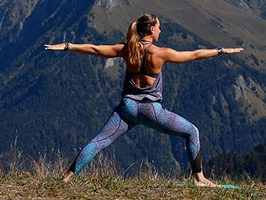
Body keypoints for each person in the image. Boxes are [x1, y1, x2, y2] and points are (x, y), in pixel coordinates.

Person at [44, 13, 243, 186]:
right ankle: (199, 179)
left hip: (127, 109)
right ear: (150, 29)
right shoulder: (160, 53)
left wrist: (67, 46)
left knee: (99, 141)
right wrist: (221, 51)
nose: (160, 31)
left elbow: (95, 49)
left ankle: (66, 178)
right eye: (158, 28)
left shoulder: (127, 49)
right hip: (151, 110)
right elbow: (193, 55)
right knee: (192, 132)